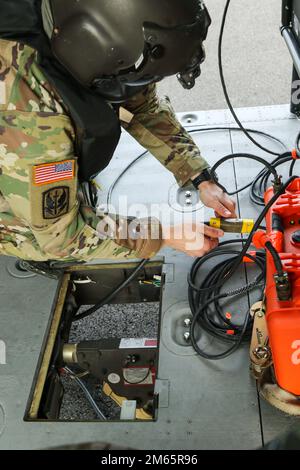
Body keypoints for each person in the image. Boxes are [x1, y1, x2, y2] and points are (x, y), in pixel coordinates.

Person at [0, 0, 236, 263]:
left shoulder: (85, 38)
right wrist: (162, 236)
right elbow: (61, 237)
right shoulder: (31, 111)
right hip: (19, 156)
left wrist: (198, 176)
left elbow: (141, 108)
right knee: (40, 236)